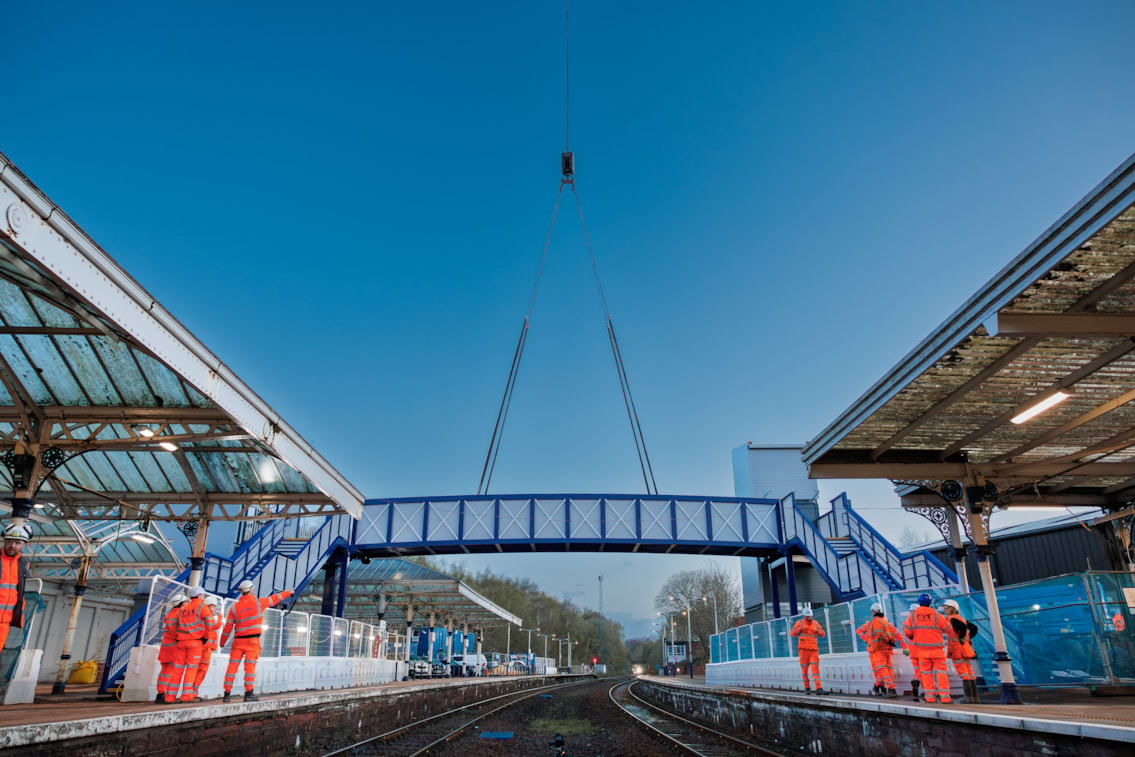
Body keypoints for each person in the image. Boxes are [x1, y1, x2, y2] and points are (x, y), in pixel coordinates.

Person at [221, 580, 293, 702]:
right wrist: (289, 592)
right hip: (252, 642)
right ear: (251, 590)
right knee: (249, 668)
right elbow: (275, 598)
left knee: (232, 667)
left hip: (237, 642)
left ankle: (227, 694)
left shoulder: (234, 608)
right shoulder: (258, 603)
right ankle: (249, 694)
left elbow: (228, 627)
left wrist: (222, 642)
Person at [166, 586, 214, 703]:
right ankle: (187, 696)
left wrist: (175, 636)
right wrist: (206, 637)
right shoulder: (202, 607)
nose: (203, 597)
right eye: (202, 595)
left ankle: (169, 697)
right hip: (195, 642)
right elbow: (210, 622)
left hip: (181, 642)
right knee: (191, 669)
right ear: (199, 596)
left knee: (177, 669)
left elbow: (172, 624)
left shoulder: (183, 609)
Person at [903, 593, 952, 705]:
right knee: (941, 674)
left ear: (919, 602)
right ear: (930, 603)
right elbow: (947, 629)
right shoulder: (936, 615)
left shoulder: (913, 616)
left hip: (922, 651)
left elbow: (907, 632)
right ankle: (945, 698)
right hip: (937, 650)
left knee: (926, 674)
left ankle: (930, 698)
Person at [856, 602, 906, 698]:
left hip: (877, 650)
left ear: (873, 611)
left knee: (880, 670)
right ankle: (881, 687)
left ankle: (885, 687)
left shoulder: (873, 622)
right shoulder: (886, 622)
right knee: (887, 670)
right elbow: (897, 635)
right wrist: (903, 647)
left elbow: (877, 633)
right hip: (885, 649)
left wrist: (868, 640)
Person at [0, 523, 31, 650]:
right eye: (9, 541)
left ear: (23, 545)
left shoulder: (23, 564)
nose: (12, 545)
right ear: (4, 541)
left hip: (5, 622)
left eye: (17, 542)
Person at [942, 599, 980, 703]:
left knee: (963, 671)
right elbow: (974, 628)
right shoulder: (960, 618)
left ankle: (968, 698)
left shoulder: (952, 619)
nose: (944, 610)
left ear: (952, 609)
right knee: (969, 671)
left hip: (957, 649)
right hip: (966, 648)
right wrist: (968, 638)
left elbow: (962, 628)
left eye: (946, 608)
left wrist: (961, 637)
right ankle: (974, 698)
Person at [155, 593, 187, 704]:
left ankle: (160, 694)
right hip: (175, 648)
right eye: (185, 602)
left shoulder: (169, 615)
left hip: (166, 648)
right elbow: (176, 631)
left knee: (164, 672)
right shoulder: (180, 615)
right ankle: (169, 696)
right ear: (181, 604)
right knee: (172, 672)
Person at [191, 595, 223, 698]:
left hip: (205, 646)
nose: (214, 608)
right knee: (201, 669)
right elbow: (215, 625)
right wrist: (220, 617)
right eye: (212, 606)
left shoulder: (203, 614)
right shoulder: (206, 615)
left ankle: (192, 690)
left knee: (199, 669)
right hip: (205, 647)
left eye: (214, 606)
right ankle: (193, 690)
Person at [790, 607, 827, 695]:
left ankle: (818, 689)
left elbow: (822, 633)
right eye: (807, 616)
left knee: (815, 670)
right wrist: (800, 629)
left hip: (813, 650)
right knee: (804, 670)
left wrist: (816, 630)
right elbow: (792, 632)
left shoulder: (815, 623)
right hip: (803, 650)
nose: (808, 618)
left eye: (810, 616)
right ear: (804, 616)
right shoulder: (799, 623)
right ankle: (807, 688)